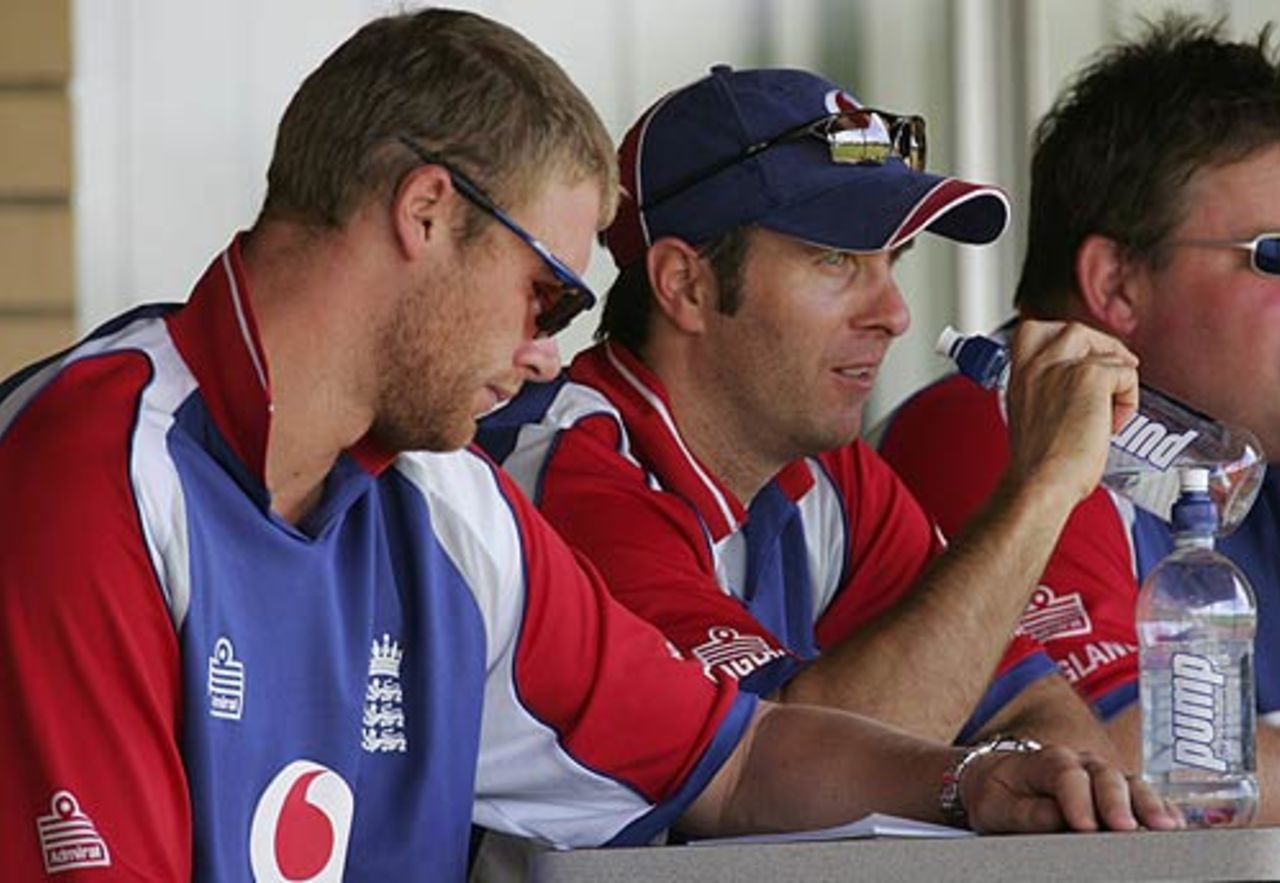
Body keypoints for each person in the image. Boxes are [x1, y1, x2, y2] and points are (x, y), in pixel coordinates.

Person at [0, 8, 1181, 882]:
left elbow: (729, 763)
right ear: (426, 215)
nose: (550, 356)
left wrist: (966, 780)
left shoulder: (443, 498)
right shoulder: (97, 465)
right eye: (548, 297)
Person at [477, 61, 1138, 758]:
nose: (896, 314)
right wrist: (1039, 490)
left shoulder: (827, 470)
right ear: (686, 284)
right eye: (836, 260)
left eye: (895, 262)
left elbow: (1035, 705)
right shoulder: (566, 473)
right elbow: (778, 776)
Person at [878, 16, 1280, 823]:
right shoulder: (991, 420)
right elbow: (1121, 762)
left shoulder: (1239, 458)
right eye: (1274, 255)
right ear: (1116, 284)